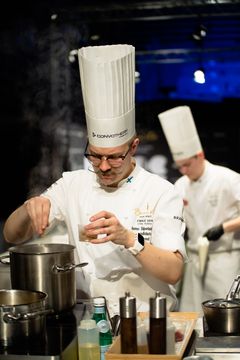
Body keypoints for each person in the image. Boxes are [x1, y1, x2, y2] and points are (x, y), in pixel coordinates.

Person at [3, 44, 186, 315]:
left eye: (113, 158)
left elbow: (173, 271)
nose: (102, 167)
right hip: (87, 318)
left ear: (133, 147)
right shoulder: (72, 184)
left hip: (147, 320)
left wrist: (128, 238)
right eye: (95, 156)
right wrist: (28, 208)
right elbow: (11, 235)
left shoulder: (160, 191)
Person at [158, 105, 240, 313]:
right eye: (180, 166)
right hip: (194, 259)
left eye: (187, 164)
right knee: (192, 313)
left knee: (223, 312)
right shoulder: (181, 185)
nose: (184, 170)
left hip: (224, 258)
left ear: (200, 155)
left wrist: (224, 227)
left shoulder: (227, 178)